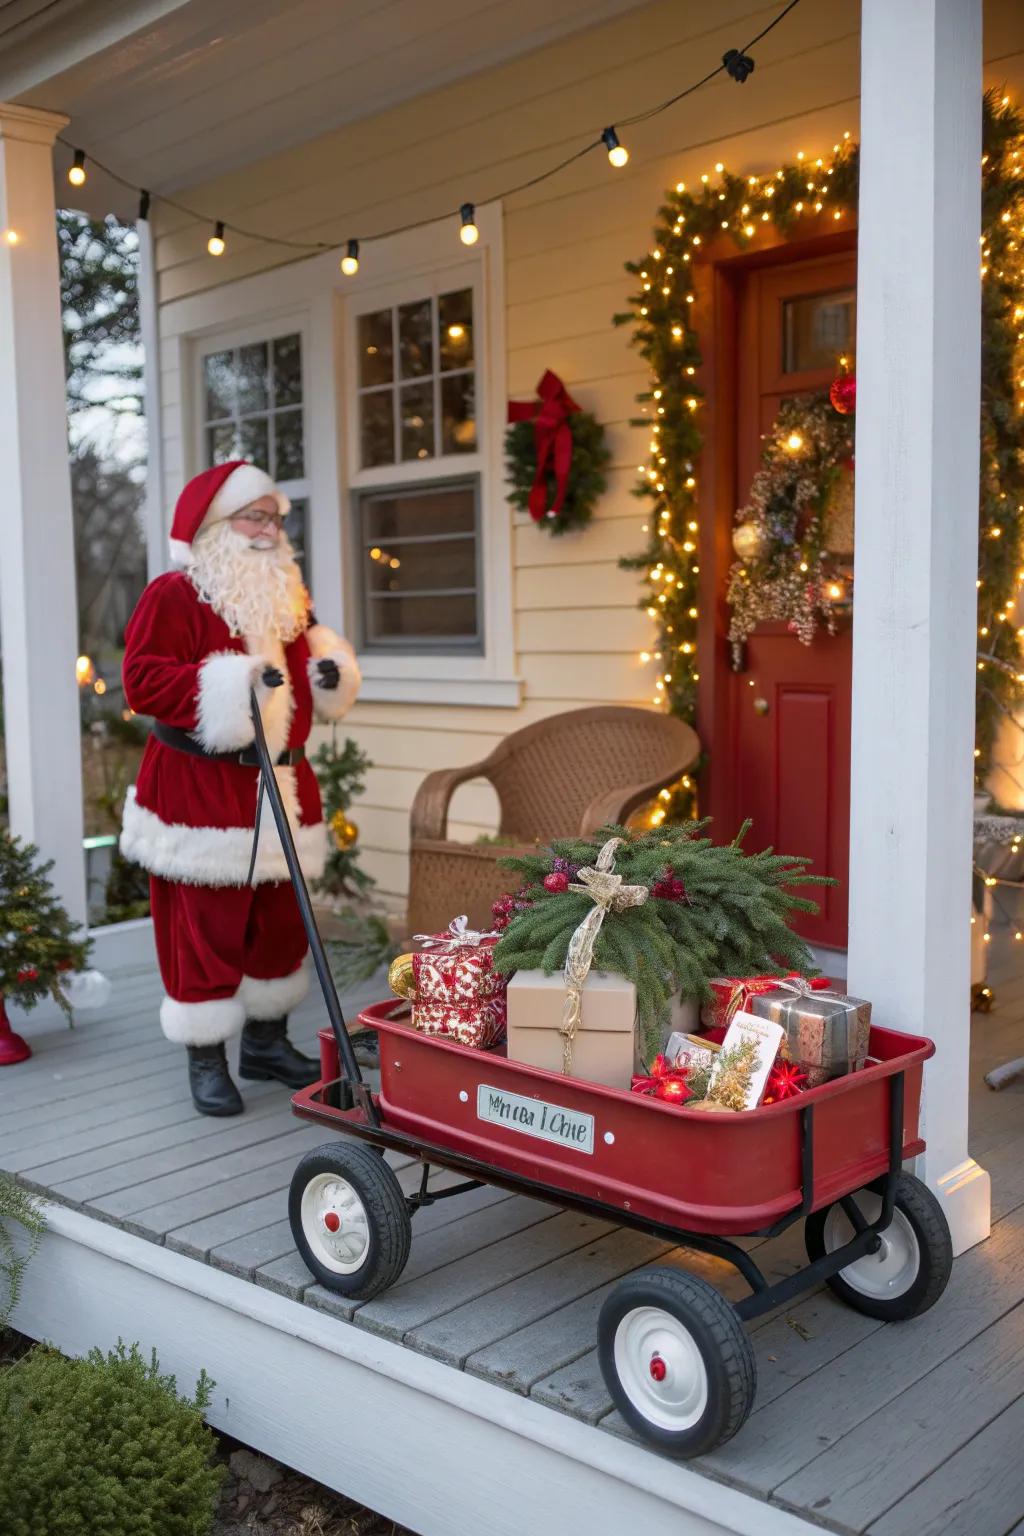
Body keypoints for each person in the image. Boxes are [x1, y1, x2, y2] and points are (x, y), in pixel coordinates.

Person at [120, 460, 360, 1115]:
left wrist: (330, 673)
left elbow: (313, 655)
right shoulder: (174, 594)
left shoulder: (287, 595)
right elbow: (142, 679)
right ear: (215, 526)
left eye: (275, 518)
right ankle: (206, 1056)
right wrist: (231, 686)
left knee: (280, 924)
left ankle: (265, 1042)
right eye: (255, 517)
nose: (269, 531)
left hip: (283, 782)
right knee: (207, 927)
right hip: (202, 787)